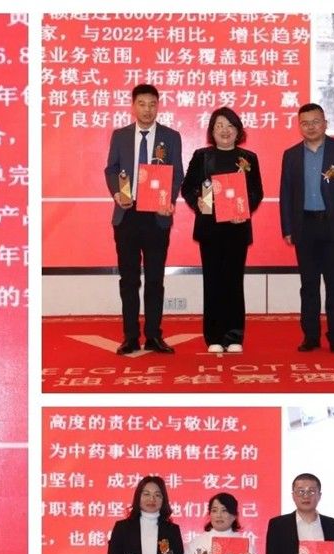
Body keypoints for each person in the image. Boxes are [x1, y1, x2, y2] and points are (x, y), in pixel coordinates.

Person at [104, 83, 184, 355]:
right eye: (142, 104)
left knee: (154, 279)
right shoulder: (120, 136)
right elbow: (111, 169)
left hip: (156, 217)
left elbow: (177, 174)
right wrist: (117, 193)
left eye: (152, 104)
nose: (147, 109)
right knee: (129, 279)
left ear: (158, 106)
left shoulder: (171, 137)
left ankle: (153, 335)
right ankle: (129, 336)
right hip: (127, 214)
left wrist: (168, 200)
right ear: (133, 106)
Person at [279, 103, 334, 353]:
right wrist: (287, 228)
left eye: (316, 122)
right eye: (305, 123)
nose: (311, 127)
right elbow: (286, 195)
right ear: (299, 126)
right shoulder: (291, 155)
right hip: (304, 226)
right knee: (309, 285)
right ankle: (311, 337)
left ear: (325, 123)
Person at [180, 108, 264, 353]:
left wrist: (244, 210)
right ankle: (214, 337)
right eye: (219, 126)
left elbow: (257, 192)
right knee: (213, 281)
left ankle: (234, 336)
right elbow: (188, 187)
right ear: (212, 130)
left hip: (237, 228)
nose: (225, 130)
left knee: (234, 282)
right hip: (210, 228)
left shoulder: (249, 158)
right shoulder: (201, 156)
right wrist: (198, 201)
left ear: (238, 130)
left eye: (230, 126)